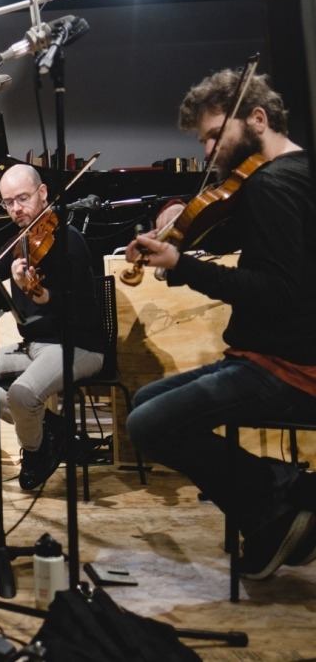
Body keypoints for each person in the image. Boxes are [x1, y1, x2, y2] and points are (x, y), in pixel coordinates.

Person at [125, 68, 316, 580]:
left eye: (214, 134)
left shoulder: (274, 186)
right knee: (144, 404)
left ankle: (280, 496)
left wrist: (181, 266)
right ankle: (276, 507)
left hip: (289, 369)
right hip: (273, 356)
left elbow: (276, 292)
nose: (209, 150)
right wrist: (178, 222)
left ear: (257, 118)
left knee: (147, 423)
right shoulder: (294, 174)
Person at [0, 163, 107, 490]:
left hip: (78, 345)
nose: (16, 208)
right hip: (34, 345)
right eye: (8, 202)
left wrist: (39, 292)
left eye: (22, 198)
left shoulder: (68, 241)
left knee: (22, 394)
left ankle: (35, 452)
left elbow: (77, 309)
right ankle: (51, 429)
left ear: (43, 193)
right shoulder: (21, 242)